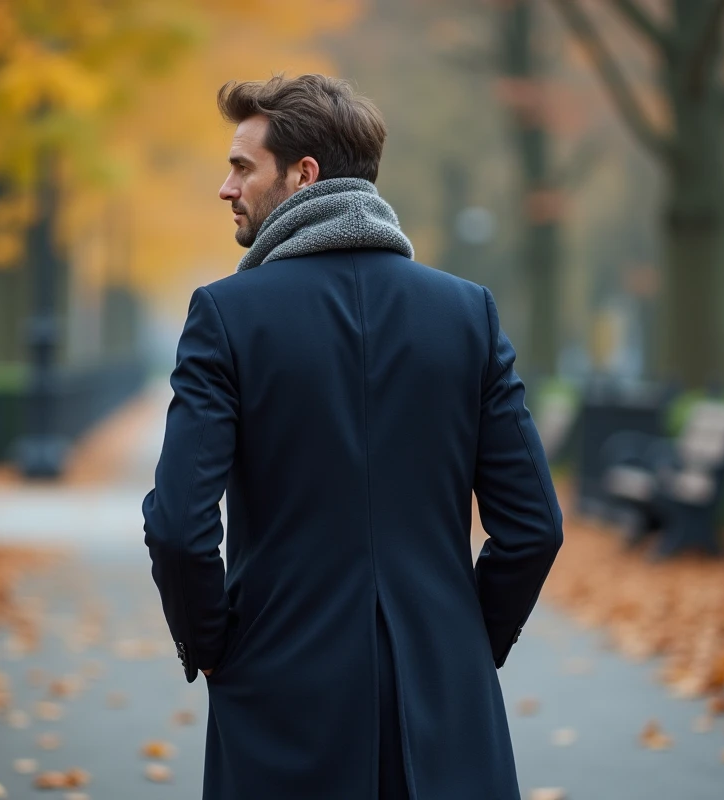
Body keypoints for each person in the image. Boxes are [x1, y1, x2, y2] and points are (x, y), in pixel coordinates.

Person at [143, 74, 563, 800]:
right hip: (446, 707)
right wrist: (462, 645)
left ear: (303, 175)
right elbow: (533, 528)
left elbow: (180, 529)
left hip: (280, 698)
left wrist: (214, 648)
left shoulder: (227, 316)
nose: (225, 187)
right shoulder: (467, 315)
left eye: (243, 166)